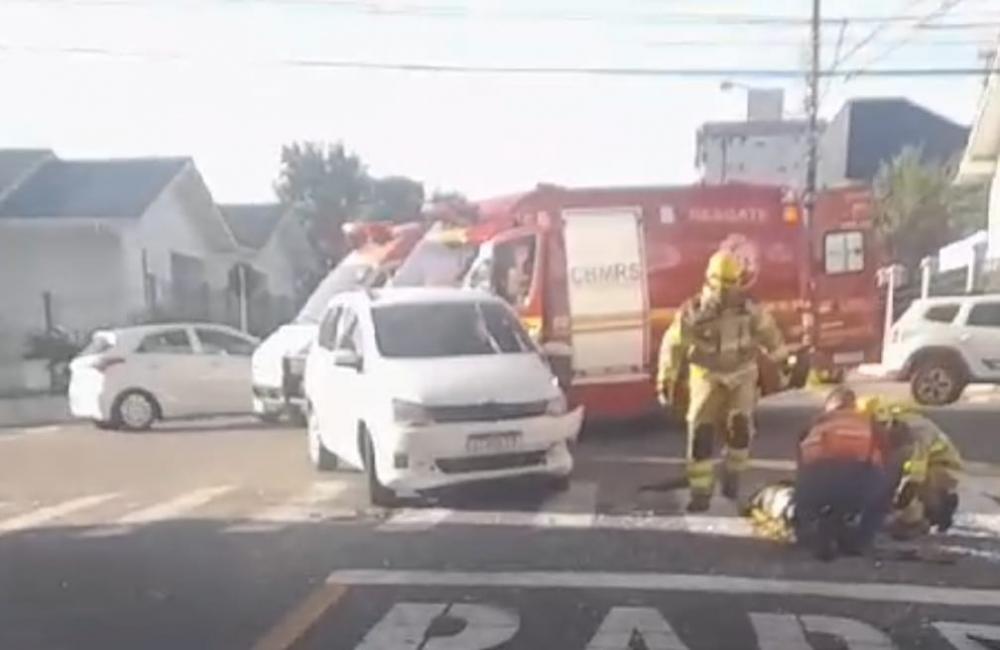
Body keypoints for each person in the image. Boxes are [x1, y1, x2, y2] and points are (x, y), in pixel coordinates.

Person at [657, 249, 786, 512]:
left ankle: (733, 476)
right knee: (701, 432)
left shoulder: (750, 309)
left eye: (733, 285)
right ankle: (700, 492)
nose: (729, 292)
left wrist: (783, 361)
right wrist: (666, 378)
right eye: (724, 285)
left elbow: (770, 334)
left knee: (740, 427)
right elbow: (672, 344)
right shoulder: (693, 312)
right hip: (707, 375)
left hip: (742, 373)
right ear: (710, 281)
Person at [794, 387, 892, 560]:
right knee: (883, 491)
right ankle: (860, 542)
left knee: (806, 497)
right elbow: (885, 456)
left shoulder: (814, 424)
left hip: (814, 484)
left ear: (829, 407)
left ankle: (808, 532)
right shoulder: (869, 423)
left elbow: (801, 462)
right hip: (857, 482)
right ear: (853, 406)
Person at [858, 396, 962, 540]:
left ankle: (933, 513)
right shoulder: (893, 425)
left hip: (943, 465)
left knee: (921, 488)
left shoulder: (916, 432)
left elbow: (914, 478)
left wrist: (899, 505)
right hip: (919, 460)